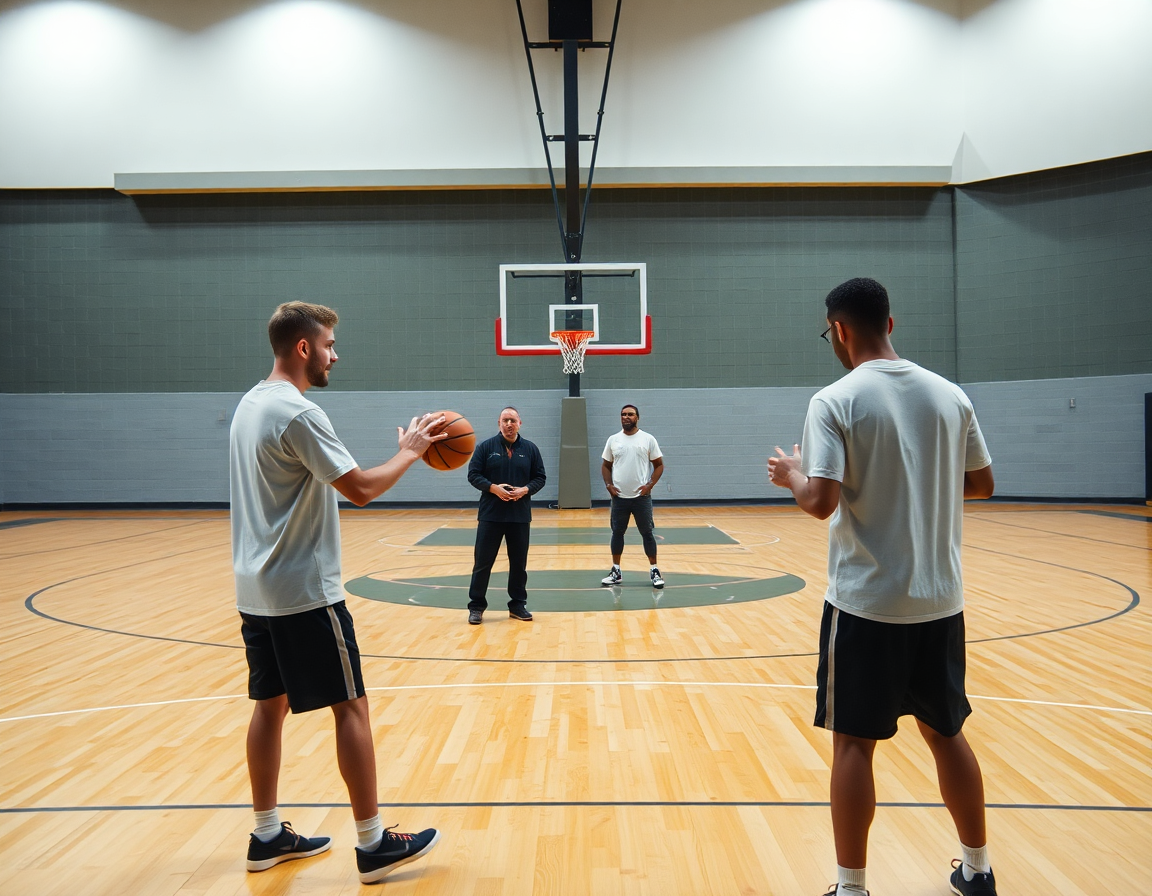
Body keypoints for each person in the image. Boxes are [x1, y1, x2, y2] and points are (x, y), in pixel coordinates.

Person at [767, 278, 997, 896]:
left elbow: (819, 502)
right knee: (946, 734)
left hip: (867, 603)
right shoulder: (951, 396)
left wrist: (791, 474)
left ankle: (851, 888)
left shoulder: (834, 400)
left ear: (839, 331)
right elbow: (982, 485)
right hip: (940, 600)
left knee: (852, 747)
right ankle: (977, 870)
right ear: (889, 323)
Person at [230, 301, 444, 884]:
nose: (334, 355)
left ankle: (267, 833)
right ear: (303, 348)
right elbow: (362, 489)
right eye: (328, 345)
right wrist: (412, 450)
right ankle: (374, 843)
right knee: (351, 705)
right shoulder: (298, 413)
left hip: (255, 588)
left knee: (268, 705)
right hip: (304, 589)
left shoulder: (250, 404)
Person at [465, 406, 547, 624]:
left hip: (519, 516)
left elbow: (540, 477)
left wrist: (525, 490)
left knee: (518, 564)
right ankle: (476, 606)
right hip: (491, 515)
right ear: (499, 424)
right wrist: (493, 488)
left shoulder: (530, 449)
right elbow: (473, 474)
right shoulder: (485, 447)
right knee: (483, 563)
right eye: (505, 420)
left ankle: (517, 605)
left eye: (512, 420)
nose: (509, 424)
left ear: (520, 423)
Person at [600, 404, 666, 589]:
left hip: (641, 498)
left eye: (630, 414)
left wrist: (649, 485)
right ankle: (616, 570)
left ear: (637, 417)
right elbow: (605, 465)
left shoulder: (647, 439)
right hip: (619, 498)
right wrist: (609, 485)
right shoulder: (613, 440)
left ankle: (654, 570)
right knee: (617, 533)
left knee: (647, 533)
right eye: (623, 414)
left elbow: (659, 465)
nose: (626, 417)